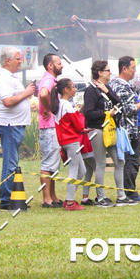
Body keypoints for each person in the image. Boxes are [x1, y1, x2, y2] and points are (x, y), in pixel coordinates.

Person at [82, 60, 131, 207]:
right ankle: (100, 197)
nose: (110, 73)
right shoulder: (90, 90)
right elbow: (88, 113)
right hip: (97, 130)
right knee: (100, 163)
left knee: (119, 161)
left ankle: (121, 195)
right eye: (108, 70)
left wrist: (107, 91)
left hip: (110, 130)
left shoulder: (106, 88)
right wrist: (106, 113)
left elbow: (119, 102)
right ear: (100, 72)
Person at [0, 50, 35, 211]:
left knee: (11, 162)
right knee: (10, 163)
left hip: (14, 124)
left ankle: (8, 197)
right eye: (17, 59)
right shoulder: (3, 78)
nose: (20, 62)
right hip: (10, 125)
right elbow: (8, 101)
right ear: (7, 61)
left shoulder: (9, 77)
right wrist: (26, 93)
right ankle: (6, 199)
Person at [111, 56, 140, 203]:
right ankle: (129, 193)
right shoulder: (119, 86)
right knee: (130, 161)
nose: (135, 71)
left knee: (131, 161)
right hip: (127, 130)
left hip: (131, 129)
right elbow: (126, 109)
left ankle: (129, 191)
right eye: (133, 68)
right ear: (124, 69)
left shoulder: (125, 85)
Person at [52, 78, 86, 211]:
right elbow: (78, 124)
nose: (75, 89)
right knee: (74, 170)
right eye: (72, 87)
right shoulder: (67, 105)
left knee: (81, 171)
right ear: (66, 90)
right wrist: (81, 118)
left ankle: (69, 198)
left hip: (64, 141)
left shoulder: (59, 104)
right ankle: (71, 202)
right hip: (71, 141)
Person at [37, 53, 63, 208]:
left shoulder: (52, 80)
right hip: (48, 127)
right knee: (48, 164)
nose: (61, 66)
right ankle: (46, 198)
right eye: (58, 63)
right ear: (50, 66)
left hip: (52, 126)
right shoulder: (48, 80)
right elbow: (43, 93)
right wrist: (47, 108)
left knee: (53, 163)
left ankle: (53, 196)